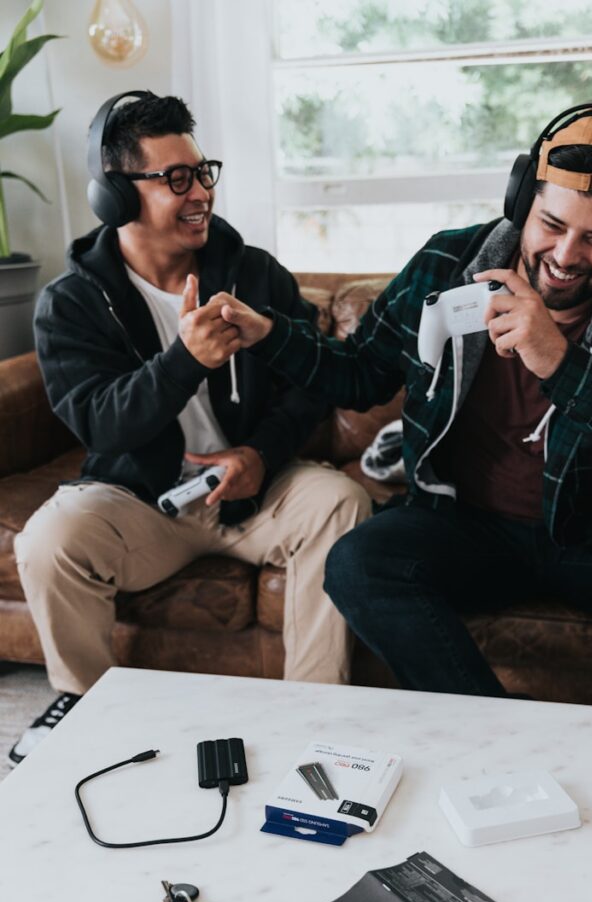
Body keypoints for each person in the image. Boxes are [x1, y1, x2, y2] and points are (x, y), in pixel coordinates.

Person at [214, 99, 592, 713]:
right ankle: (498, 730)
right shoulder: (449, 262)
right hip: (469, 524)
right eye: (551, 224)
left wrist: (565, 367)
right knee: (358, 562)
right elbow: (360, 375)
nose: (567, 255)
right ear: (521, 203)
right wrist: (268, 333)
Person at [9, 91, 371, 765]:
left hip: (256, 492)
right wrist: (183, 362)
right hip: (145, 500)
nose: (200, 191)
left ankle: (318, 712)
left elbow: (308, 390)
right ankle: (81, 707)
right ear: (116, 196)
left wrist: (260, 454)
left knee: (341, 501)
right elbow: (100, 422)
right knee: (49, 538)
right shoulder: (74, 302)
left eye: (204, 172)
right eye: (176, 178)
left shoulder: (253, 272)